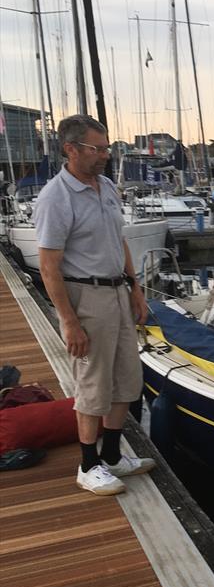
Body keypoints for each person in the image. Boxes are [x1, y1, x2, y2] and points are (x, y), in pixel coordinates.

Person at [34, 114, 155, 495]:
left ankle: (115, 455)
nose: (105, 155)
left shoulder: (105, 186)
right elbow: (49, 266)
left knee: (126, 377)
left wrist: (135, 287)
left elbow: (117, 240)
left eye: (107, 148)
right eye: (97, 149)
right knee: (92, 382)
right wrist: (68, 321)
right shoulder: (57, 197)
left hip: (118, 291)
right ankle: (88, 465)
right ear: (71, 149)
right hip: (86, 296)